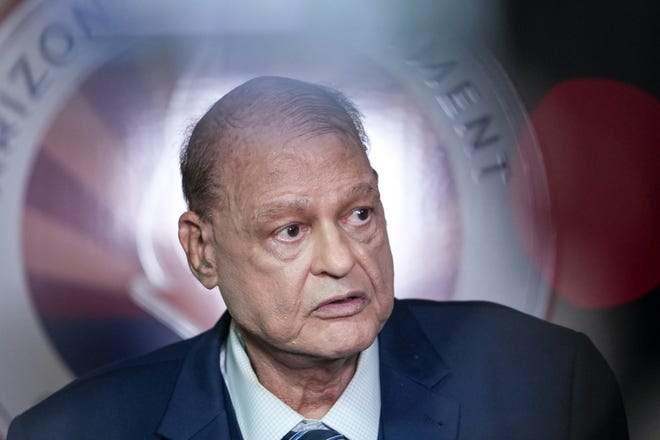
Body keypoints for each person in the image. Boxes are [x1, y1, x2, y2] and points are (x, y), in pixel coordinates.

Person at [8, 76, 627, 439]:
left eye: (360, 214)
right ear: (202, 251)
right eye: (290, 230)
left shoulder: (550, 389)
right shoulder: (71, 433)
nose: (341, 259)